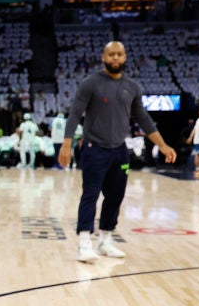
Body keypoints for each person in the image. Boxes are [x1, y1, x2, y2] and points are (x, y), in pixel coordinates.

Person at [57, 41, 177, 263]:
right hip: (94, 148)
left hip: (119, 149)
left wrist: (162, 144)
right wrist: (66, 144)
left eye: (119, 55)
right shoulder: (90, 83)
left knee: (116, 196)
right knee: (91, 195)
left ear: (124, 58)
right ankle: (84, 242)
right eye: (111, 54)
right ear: (103, 57)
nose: (115, 58)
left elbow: (143, 119)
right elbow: (75, 114)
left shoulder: (132, 87)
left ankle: (105, 240)